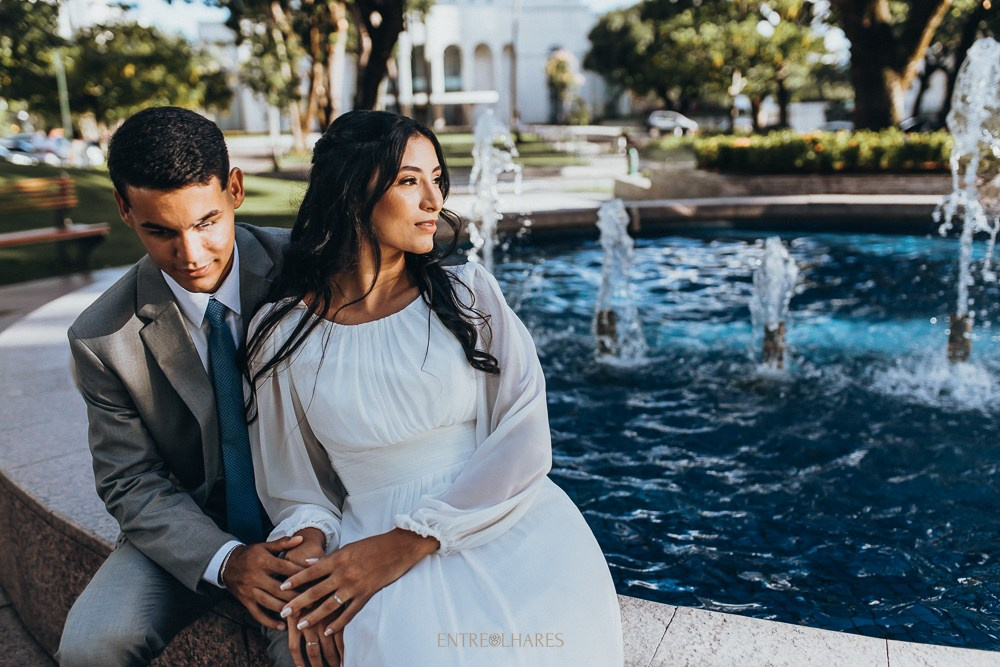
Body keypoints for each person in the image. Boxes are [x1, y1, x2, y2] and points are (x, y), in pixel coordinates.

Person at [244, 109, 624, 667]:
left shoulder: (470, 295)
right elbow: (296, 486)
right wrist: (309, 564)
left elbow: (524, 436)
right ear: (351, 191)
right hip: (366, 545)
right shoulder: (281, 333)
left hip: (510, 526)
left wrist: (409, 542)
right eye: (408, 180)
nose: (434, 200)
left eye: (437, 179)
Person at [58, 106, 301, 666]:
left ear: (235, 189)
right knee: (91, 647)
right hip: (192, 522)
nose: (190, 255)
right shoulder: (100, 337)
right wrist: (226, 560)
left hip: (311, 512)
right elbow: (129, 479)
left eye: (206, 222)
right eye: (160, 231)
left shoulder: (307, 268)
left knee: (309, 649)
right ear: (125, 210)